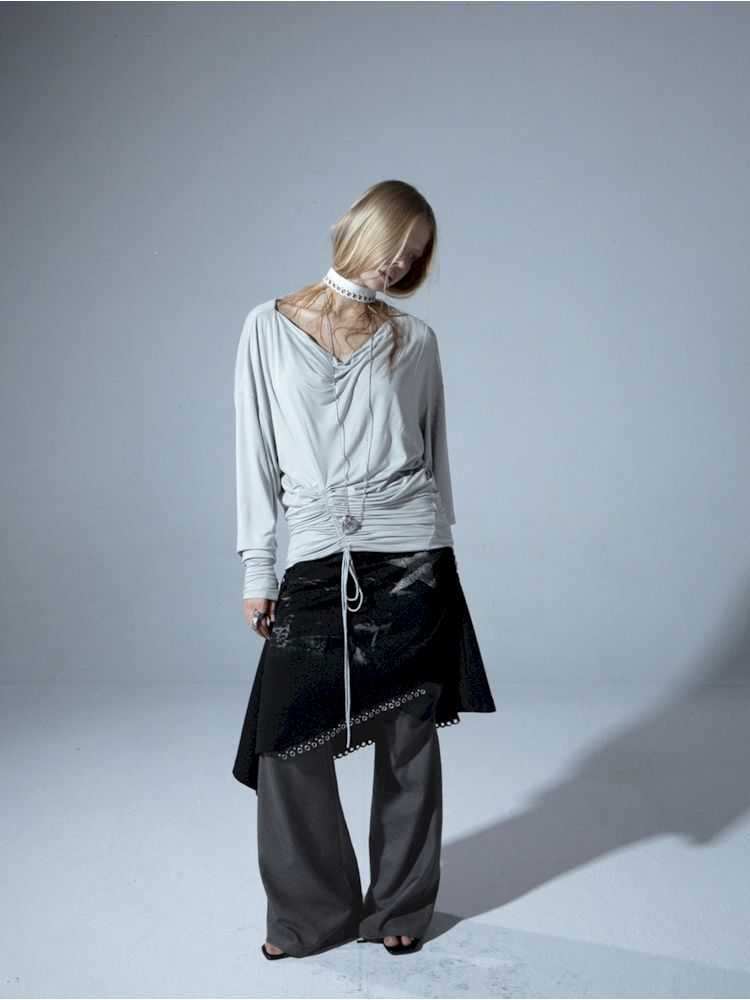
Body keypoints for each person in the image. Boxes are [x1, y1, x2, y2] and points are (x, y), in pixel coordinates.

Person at [231, 179, 496, 961]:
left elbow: (432, 450)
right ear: (361, 230)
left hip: (409, 552)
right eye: (397, 247)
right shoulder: (267, 325)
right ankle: (309, 914)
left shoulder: (415, 339)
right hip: (316, 549)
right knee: (287, 739)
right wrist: (259, 568)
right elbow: (255, 452)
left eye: (416, 257)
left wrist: (439, 543)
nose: (401, 266)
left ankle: (401, 906)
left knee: (409, 734)